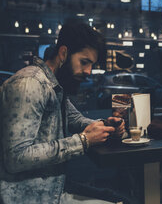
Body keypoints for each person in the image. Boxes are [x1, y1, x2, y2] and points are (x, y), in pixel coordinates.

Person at [0, 23, 125, 204]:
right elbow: (16, 158)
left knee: (119, 197)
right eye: (84, 62)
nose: (89, 71)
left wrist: (105, 126)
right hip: (27, 197)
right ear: (64, 53)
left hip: (53, 191)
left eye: (92, 64)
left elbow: (73, 118)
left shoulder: (54, 85)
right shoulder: (30, 84)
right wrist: (83, 141)